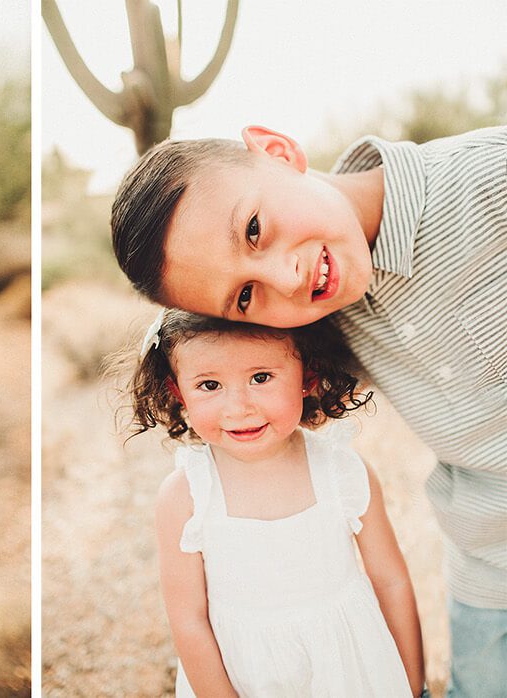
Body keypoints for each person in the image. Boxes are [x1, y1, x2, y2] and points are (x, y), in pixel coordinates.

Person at [112, 125, 507, 692]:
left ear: (277, 150)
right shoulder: (312, 319)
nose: (285, 277)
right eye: (245, 297)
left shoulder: (488, 181)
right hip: (487, 558)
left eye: (253, 230)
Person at [132, 309, 423, 696]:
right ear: (178, 391)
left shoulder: (342, 470)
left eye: (261, 378)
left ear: (308, 377)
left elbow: (392, 581)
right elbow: (189, 621)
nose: (239, 406)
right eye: (210, 385)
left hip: (349, 669)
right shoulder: (186, 495)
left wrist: (412, 683)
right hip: (247, 677)